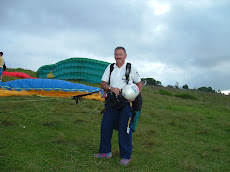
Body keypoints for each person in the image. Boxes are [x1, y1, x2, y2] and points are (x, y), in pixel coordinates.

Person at [93, 47, 143, 166]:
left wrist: (135, 95)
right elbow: (103, 84)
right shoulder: (110, 68)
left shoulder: (131, 68)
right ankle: (105, 152)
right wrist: (111, 88)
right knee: (106, 126)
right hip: (111, 101)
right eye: (116, 54)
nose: (118, 57)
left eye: (120, 54)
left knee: (124, 129)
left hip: (126, 102)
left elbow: (139, 84)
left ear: (125, 55)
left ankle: (126, 156)